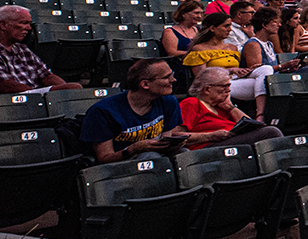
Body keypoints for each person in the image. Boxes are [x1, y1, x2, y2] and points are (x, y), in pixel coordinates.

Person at [79, 58, 222, 162]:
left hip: (154, 156)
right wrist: (133, 149)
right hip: (121, 164)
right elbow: (104, 158)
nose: (174, 80)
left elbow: (165, 139)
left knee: (184, 153)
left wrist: (172, 144)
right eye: (167, 77)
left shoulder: (168, 101)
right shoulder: (103, 111)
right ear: (145, 84)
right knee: (150, 158)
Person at [0, 5, 83, 94]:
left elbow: (46, 76)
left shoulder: (22, 50)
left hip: (31, 100)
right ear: (3, 25)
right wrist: (47, 95)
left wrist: (63, 91)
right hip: (1, 106)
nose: (28, 28)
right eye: (23, 23)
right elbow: (6, 86)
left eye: (29, 24)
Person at [179, 66, 285, 148]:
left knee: (267, 131)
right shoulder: (191, 103)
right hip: (209, 146)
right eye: (224, 86)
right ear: (207, 89)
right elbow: (177, 135)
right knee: (271, 133)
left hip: (231, 143)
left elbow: (254, 126)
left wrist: (230, 107)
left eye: (229, 86)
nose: (229, 90)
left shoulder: (222, 105)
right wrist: (210, 136)